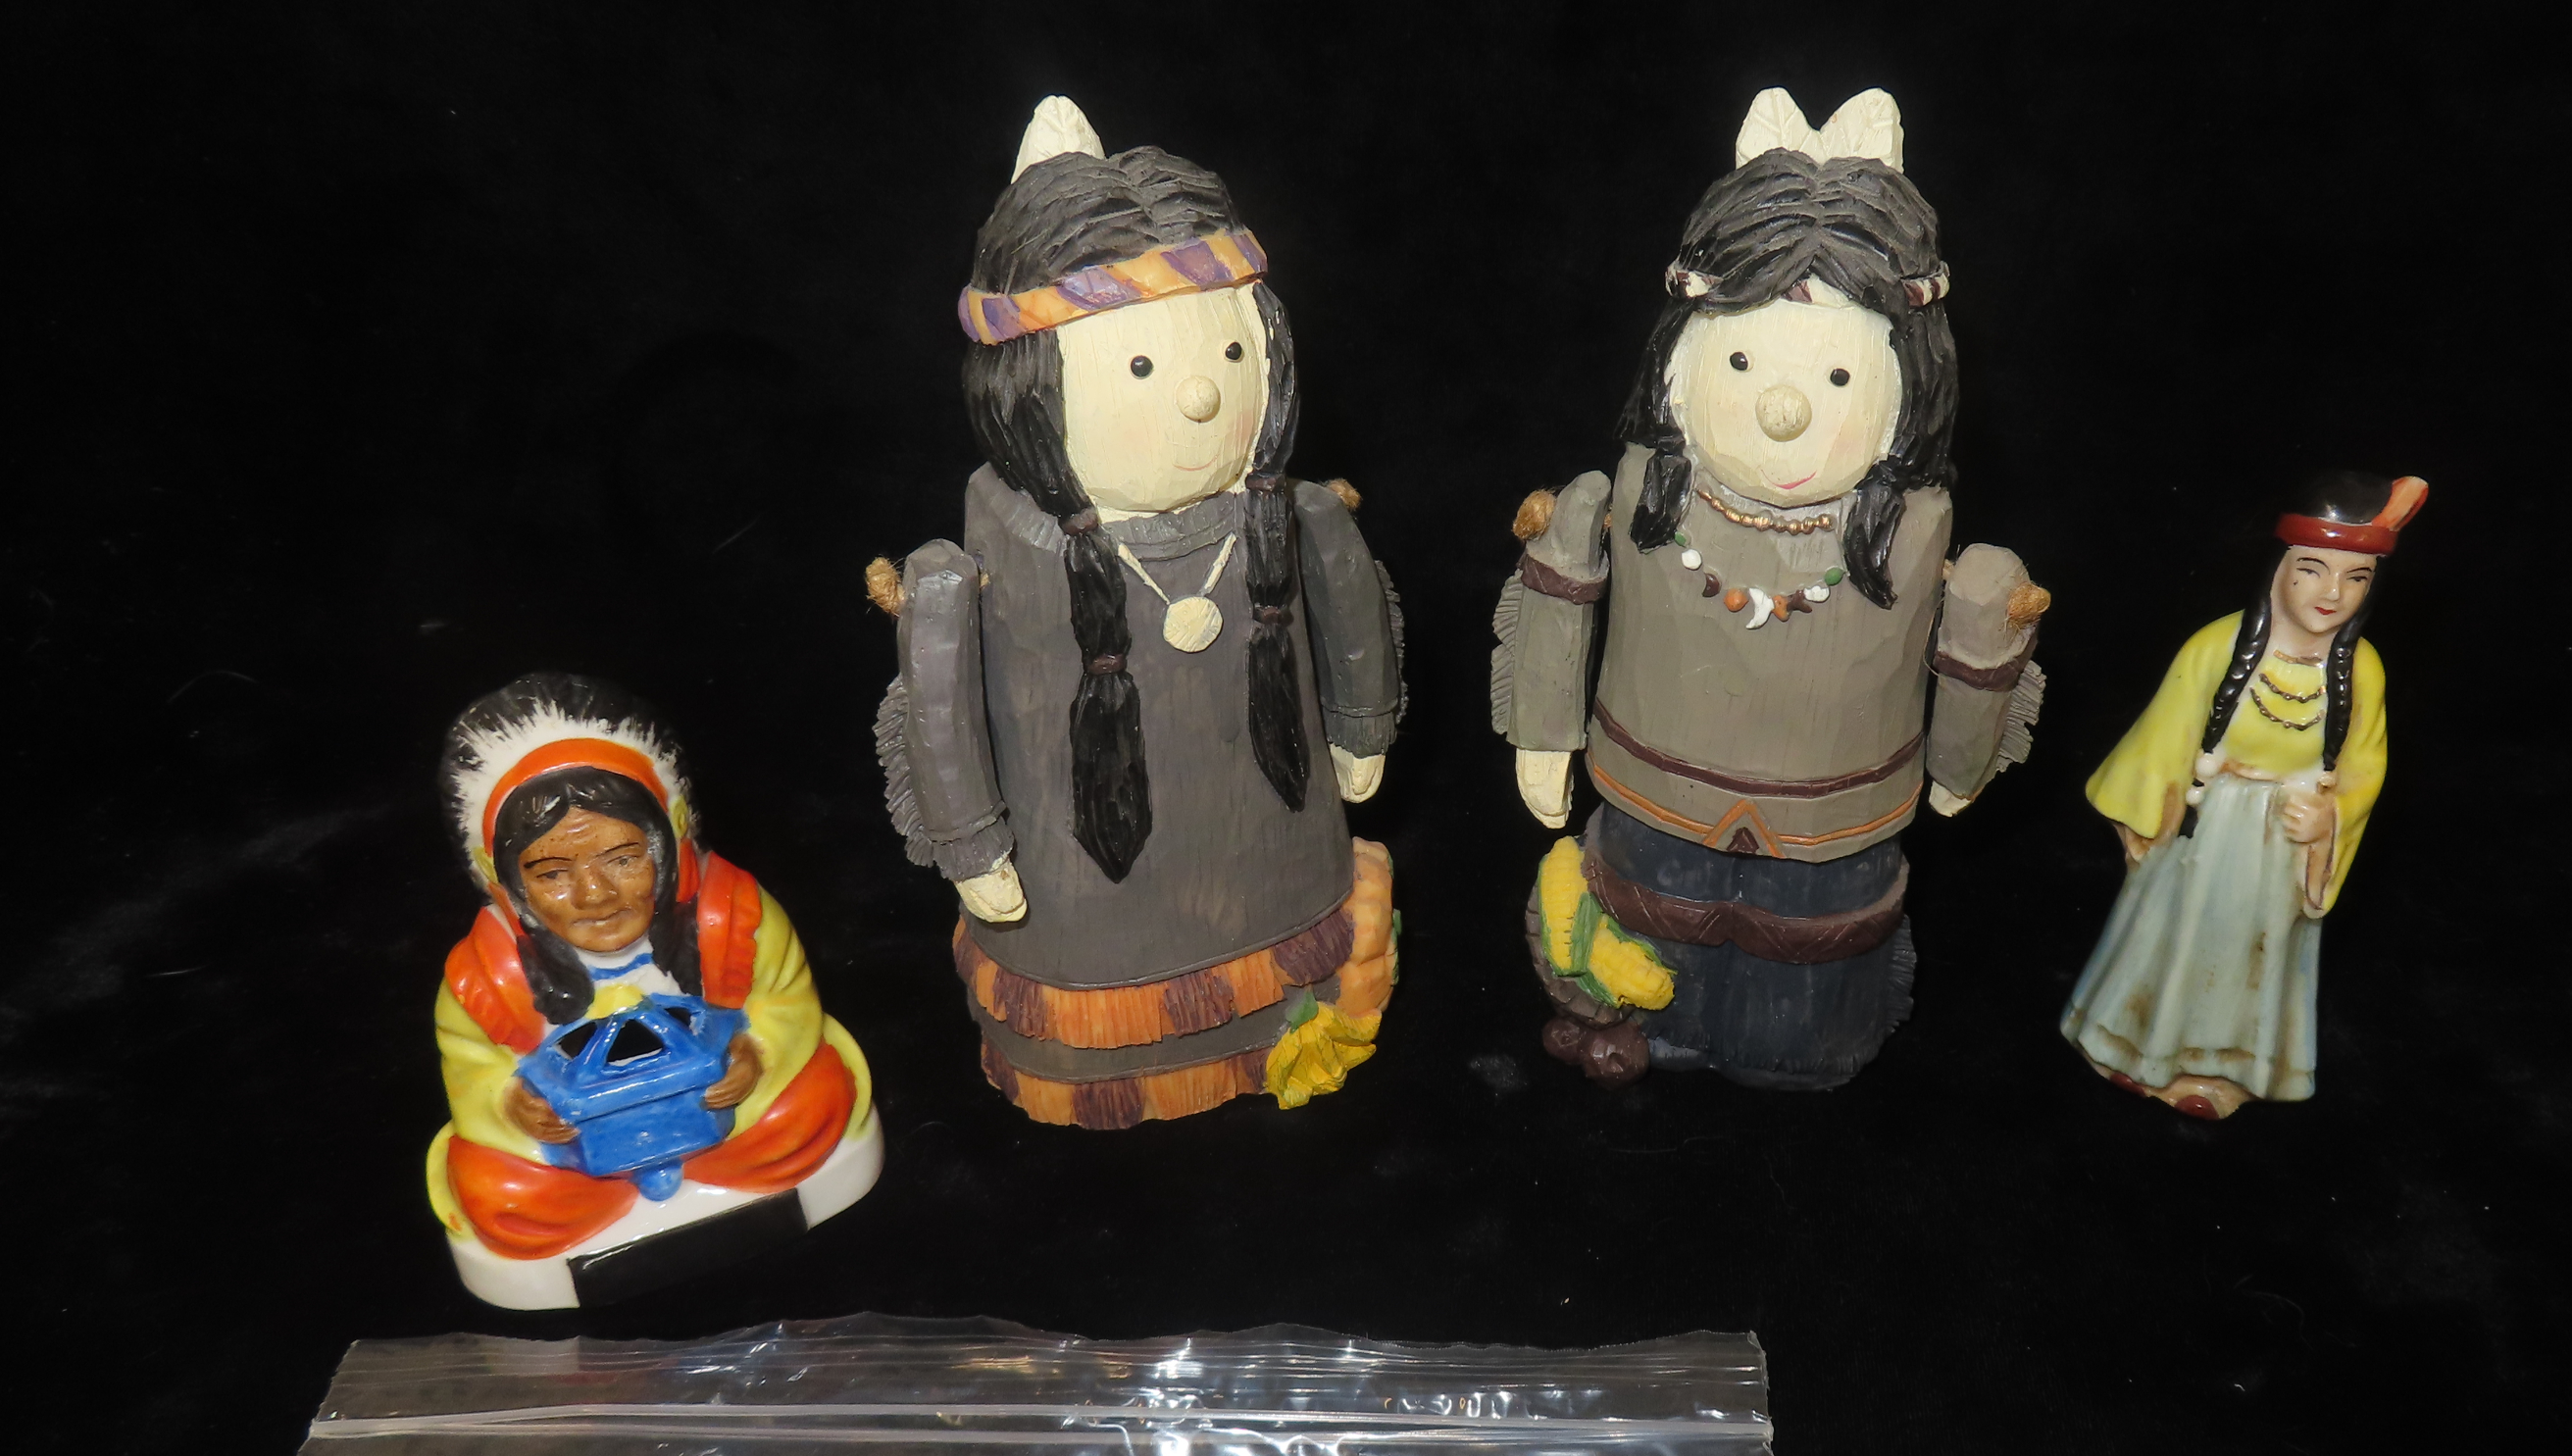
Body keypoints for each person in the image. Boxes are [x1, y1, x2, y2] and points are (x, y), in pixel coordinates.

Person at [1492, 88, 2045, 1089]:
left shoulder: (1913, 529)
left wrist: (1963, 753)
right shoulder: (1642, 494)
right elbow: (1563, 589)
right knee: (1647, 915)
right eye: (1743, 359)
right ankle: (1647, 1024)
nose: (1783, 409)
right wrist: (1546, 733)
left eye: (1837, 379)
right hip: (1654, 788)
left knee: (1809, 965)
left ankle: (1793, 1048)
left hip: (1836, 817)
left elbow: (1974, 642)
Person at [875, 98, 1401, 1129]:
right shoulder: (997, 556)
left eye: (1228, 355)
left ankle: (1286, 1030)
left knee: (1303, 951)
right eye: (1144, 366)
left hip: (1281, 847)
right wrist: (973, 845)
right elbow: (941, 709)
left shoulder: (1282, 515)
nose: (1201, 397)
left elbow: (1348, 605)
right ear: (1025, 388)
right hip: (1088, 893)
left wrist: (1360, 725)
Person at [429, 673, 877, 1306]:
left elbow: (785, 1002)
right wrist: (517, 1107)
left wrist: (756, 1055)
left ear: (670, 841)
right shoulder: (485, 975)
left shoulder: (735, 916)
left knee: (814, 1105)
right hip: (582, 1154)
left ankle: (720, 1172)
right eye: (553, 873)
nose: (594, 895)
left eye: (622, 858)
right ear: (503, 881)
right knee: (497, 1196)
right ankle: (605, 1205)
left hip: (727, 1120)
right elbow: (475, 1073)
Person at [2059, 472, 2426, 1118]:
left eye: (2355, 577)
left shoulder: (2362, 670)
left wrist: (2329, 818)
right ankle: (2130, 1049)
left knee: (2248, 956)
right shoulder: (2217, 647)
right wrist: (2147, 820)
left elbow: (2367, 765)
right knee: (2167, 939)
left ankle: (2220, 1072)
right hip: (2204, 828)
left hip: (2280, 846)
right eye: (2313, 570)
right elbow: (2163, 736)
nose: (2332, 593)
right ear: (2280, 568)